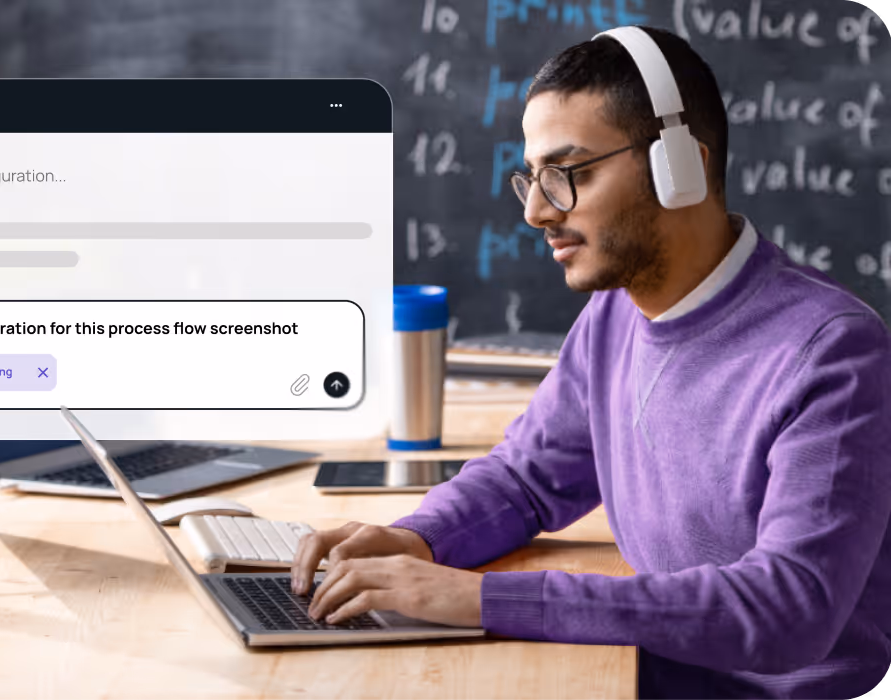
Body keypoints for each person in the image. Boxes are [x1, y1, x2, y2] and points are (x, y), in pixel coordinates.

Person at [290, 25, 890, 700]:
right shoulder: (614, 317)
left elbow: (790, 610)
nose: (539, 211)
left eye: (568, 174)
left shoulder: (832, 352)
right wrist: (416, 540)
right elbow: (525, 479)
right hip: (652, 674)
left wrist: (483, 600)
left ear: (679, 167)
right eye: (532, 179)